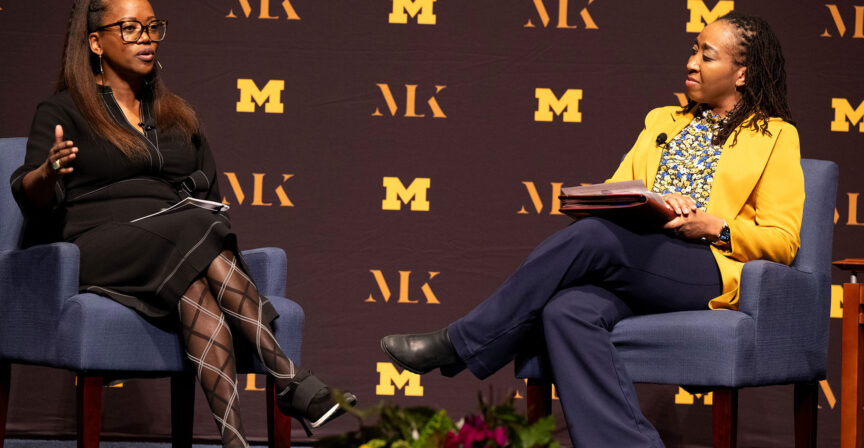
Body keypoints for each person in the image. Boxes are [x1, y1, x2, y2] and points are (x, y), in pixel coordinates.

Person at [381, 13, 802, 448]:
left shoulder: (774, 137)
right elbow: (619, 192)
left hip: (706, 267)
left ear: (742, 74)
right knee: (566, 310)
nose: (691, 62)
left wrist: (715, 226)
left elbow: (784, 241)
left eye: (707, 55)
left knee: (595, 237)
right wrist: (646, 204)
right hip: (638, 259)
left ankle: (461, 341)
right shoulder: (662, 121)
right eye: (693, 49)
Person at [9, 0, 355, 446]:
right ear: (96, 42)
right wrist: (49, 172)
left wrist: (193, 214)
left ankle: (234, 441)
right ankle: (289, 378)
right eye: (130, 28)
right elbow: (32, 197)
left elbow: (210, 197)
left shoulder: (177, 115)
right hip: (98, 247)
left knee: (195, 285)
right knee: (189, 227)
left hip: (174, 246)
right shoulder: (63, 111)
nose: (147, 37)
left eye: (153, 27)